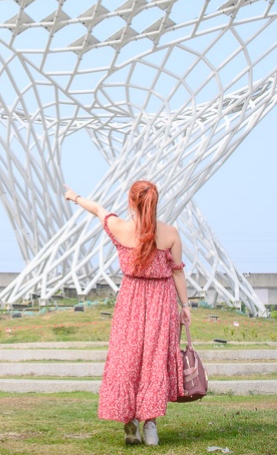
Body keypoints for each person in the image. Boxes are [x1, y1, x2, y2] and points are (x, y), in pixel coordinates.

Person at [63, 180, 191, 447]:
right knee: (154, 362)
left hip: (131, 302)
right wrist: (186, 306)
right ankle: (151, 426)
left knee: (128, 360)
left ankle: (130, 421)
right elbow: (178, 271)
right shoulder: (170, 234)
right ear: (155, 203)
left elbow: (98, 209)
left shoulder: (120, 228)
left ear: (132, 202)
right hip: (161, 302)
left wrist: (75, 197)